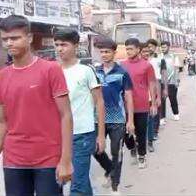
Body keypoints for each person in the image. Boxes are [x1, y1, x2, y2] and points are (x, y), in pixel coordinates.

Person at [0, 15, 73, 195]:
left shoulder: (50, 70)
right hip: (14, 160)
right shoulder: (2, 76)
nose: (9, 43)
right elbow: (2, 122)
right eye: (5, 39)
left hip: (48, 159)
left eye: (15, 38)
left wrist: (65, 160)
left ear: (29, 38)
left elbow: (66, 116)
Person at [53, 27, 106, 196]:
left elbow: (99, 102)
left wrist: (100, 136)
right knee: (59, 182)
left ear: (76, 45)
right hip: (57, 135)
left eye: (64, 44)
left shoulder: (86, 71)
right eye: (57, 45)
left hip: (82, 135)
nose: (60, 49)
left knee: (77, 184)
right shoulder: (51, 71)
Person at [92, 38, 134, 193]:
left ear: (114, 53)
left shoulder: (122, 73)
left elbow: (129, 97)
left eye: (107, 52)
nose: (103, 55)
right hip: (98, 119)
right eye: (101, 52)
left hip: (117, 120)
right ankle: (109, 168)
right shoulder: (95, 72)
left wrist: (130, 121)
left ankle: (115, 187)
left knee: (117, 153)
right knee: (95, 148)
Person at [121, 39, 157, 169]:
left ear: (138, 49)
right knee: (126, 134)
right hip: (125, 106)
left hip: (142, 105)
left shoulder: (146, 66)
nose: (128, 51)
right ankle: (132, 147)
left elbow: (152, 84)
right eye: (127, 49)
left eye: (131, 49)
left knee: (141, 132)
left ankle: (142, 156)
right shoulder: (122, 65)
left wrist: (153, 103)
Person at [147, 39, 167, 153]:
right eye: (148, 46)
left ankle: (155, 131)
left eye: (151, 46)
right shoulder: (144, 59)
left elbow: (164, 74)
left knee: (156, 109)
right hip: (146, 86)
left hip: (157, 85)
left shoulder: (160, 59)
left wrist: (165, 88)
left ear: (155, 47)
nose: (149, 48)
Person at [160, 41, 181, 121]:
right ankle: (162, 117)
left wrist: (177, 81)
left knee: (173, 98)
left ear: (168, 47)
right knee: (162, 100)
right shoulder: (160, 57)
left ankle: (176, 114)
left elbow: (176, 69)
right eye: (162, 47)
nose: (163, 49)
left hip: (172, 81)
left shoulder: (174, 56)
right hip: (162, 82)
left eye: (164, 47)